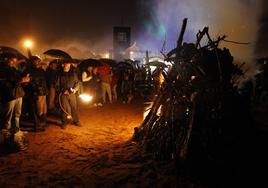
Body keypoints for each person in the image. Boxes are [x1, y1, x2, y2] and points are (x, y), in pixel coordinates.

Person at [0, 54, 29, 150]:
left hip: (18, 94)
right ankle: (6, 135)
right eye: (12, 60)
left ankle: (16, 130)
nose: (14, 62)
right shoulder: (3, 69)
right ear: (7, 59)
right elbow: (5, 83)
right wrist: (20, 80)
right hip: (10, 96)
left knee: (17, 114)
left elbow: (19, 78)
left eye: (15, 60)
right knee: (8, 116)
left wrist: (25, 79)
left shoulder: (14, 69)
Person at [23, 56, 47, 131]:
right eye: (37, 61)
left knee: (42, 109)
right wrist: (35, 88)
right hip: (34, 93)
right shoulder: (28, 70)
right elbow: (26, 82)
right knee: (36, 109)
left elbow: (44, 80)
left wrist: (45, 90)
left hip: (43, 92)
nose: (38, 62)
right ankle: (37, 125)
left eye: (39, 61)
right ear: (32, 62)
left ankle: (41, 123)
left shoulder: (41, 70)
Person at [56, 60, 81, 128]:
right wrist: (62, 91)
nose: (66, 66)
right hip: (63, 94)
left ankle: (76, 121)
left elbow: (77, 83)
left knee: (74, 107)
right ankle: (64, 122)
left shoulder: (73, 74)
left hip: (71, 94)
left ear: (70, 65)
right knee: (64, 108)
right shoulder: (60, 74)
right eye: (65, 65)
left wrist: (74, 90)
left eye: (68, 65)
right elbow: (57, 85)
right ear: (63, 65)